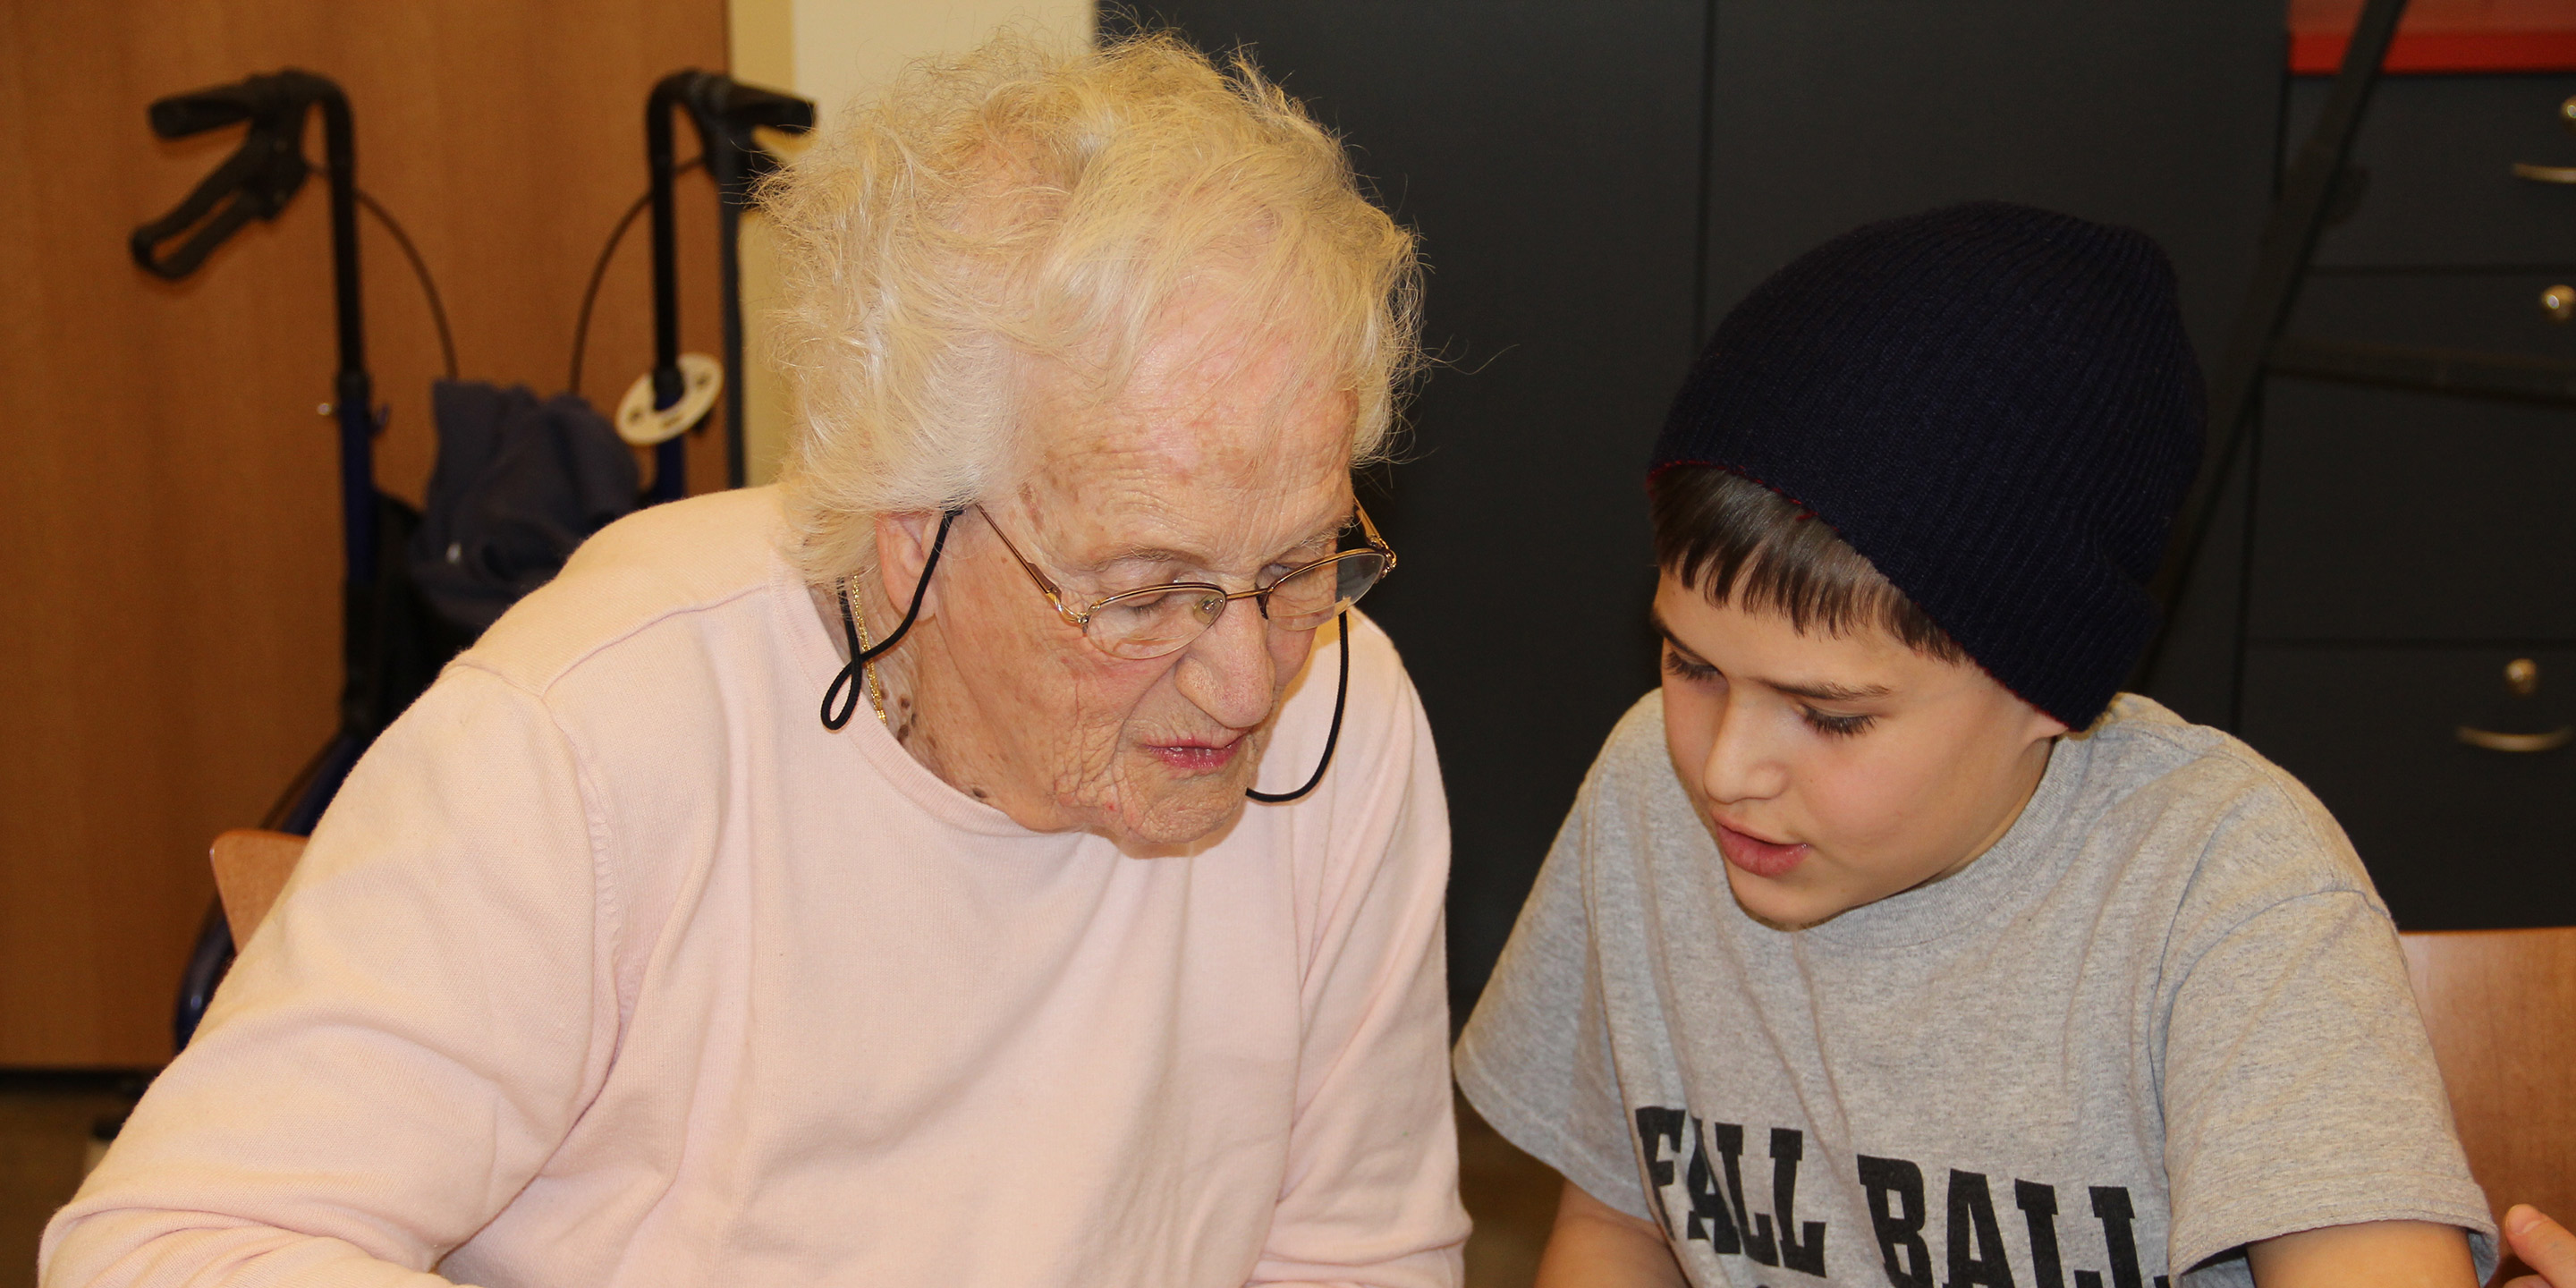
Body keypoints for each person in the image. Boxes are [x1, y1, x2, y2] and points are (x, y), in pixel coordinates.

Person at [45, 31, 1467, 1288]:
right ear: (911, 530)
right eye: (1148, 593)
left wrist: (1230, 596)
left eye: (1291, 565)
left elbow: (1355, 1256)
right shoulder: (596, 735)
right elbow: (162, 1242)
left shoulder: (1346, 713)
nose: (1246, 681)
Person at [1455, 203, 2507, 1288]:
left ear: (2050, 689)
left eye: (1831, 715)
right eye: (1688, 664)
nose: (1725, 770)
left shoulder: (2227, 884)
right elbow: (1624, 1224)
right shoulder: (1646, 791)